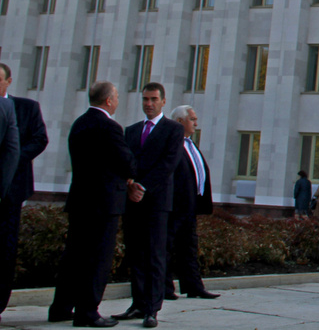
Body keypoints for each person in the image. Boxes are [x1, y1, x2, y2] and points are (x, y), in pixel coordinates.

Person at [48, 81, 142, 328]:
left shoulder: (79, 124)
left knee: (74, 256)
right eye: (117, 96)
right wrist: (130, 173)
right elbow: (127, 162)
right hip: (104, 203)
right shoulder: (110, 127)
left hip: (80, 200)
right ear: (108, 100)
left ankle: (61, 307)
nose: (118, 101)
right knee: (98, 259)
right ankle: (87, 311)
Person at [113, 82, 184, 329]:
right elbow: (125, 161)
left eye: (154, 99)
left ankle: (152, 309)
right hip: (132, 201)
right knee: (136, 254)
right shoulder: (131, 131)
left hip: (156, 202)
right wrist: (130, 184)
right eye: (145, 99)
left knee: (154, 255)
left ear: (163, 101)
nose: (149, 104)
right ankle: (138, 303)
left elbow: (168, 164)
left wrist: (142, 187)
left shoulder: (173, 129)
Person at [0, 62, 47, 323]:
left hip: (12, 190)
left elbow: (40, 139)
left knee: (5, 249)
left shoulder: (26, 108)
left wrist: (12, 158)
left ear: (9, 81)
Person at [163, 106, 219, 302]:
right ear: (180, 122)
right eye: (192, 119)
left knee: (189, 247)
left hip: (190, 206)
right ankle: (165, 288)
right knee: (167, 246)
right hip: (175, 206)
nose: (196, 123)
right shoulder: (172, 143)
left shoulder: (190, 144)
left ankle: (194, 286)